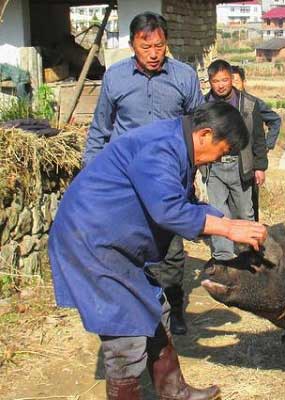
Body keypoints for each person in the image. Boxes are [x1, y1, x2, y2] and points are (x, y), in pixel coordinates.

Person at [50, 102, 267, 399]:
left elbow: (185, 204)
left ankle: (175, 392)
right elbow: (168, 210)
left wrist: (229, 223)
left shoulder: (180, 147)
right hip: (92, 241)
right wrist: (229, 229)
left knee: (155, 308)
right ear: (205, 135)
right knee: (124, 334)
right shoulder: (162, 149)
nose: (218, 160)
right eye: (223, 151)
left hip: (113, 242)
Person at [82, 12, 203, 335]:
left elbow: (199, 129)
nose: (153, 53)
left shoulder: (185, 76)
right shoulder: (115, 78)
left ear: (167, 44)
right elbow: (100, 130)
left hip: (170, 181)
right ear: (132, 43)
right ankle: (139, 311)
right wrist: (89, 179)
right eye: (145, 46)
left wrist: (194, 174)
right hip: (126, 183)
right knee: (129, 248)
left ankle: (175, 307)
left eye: (159, 46)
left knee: (172, 252)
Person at [202, 59, 268, 261]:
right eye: (215, 81)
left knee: (245, 211)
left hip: (241, 164)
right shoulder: (203, 105)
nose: (221, 85)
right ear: (210, 82)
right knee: (218, 213)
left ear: (232, 79)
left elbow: (258, 136)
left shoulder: (248, 104)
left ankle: (250, 254)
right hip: (213, 167)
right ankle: (224, 257)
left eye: (224, 79)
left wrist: (260, 166)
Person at [231, 64, 282, 221]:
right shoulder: (223, 104)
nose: (232, 85)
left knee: (251, 202)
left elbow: (275, 120)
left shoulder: (253, 103)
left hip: (250, 160)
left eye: (236, 81)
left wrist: (267, 145)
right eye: (229, 80)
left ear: (243, 82)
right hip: (230, 162)